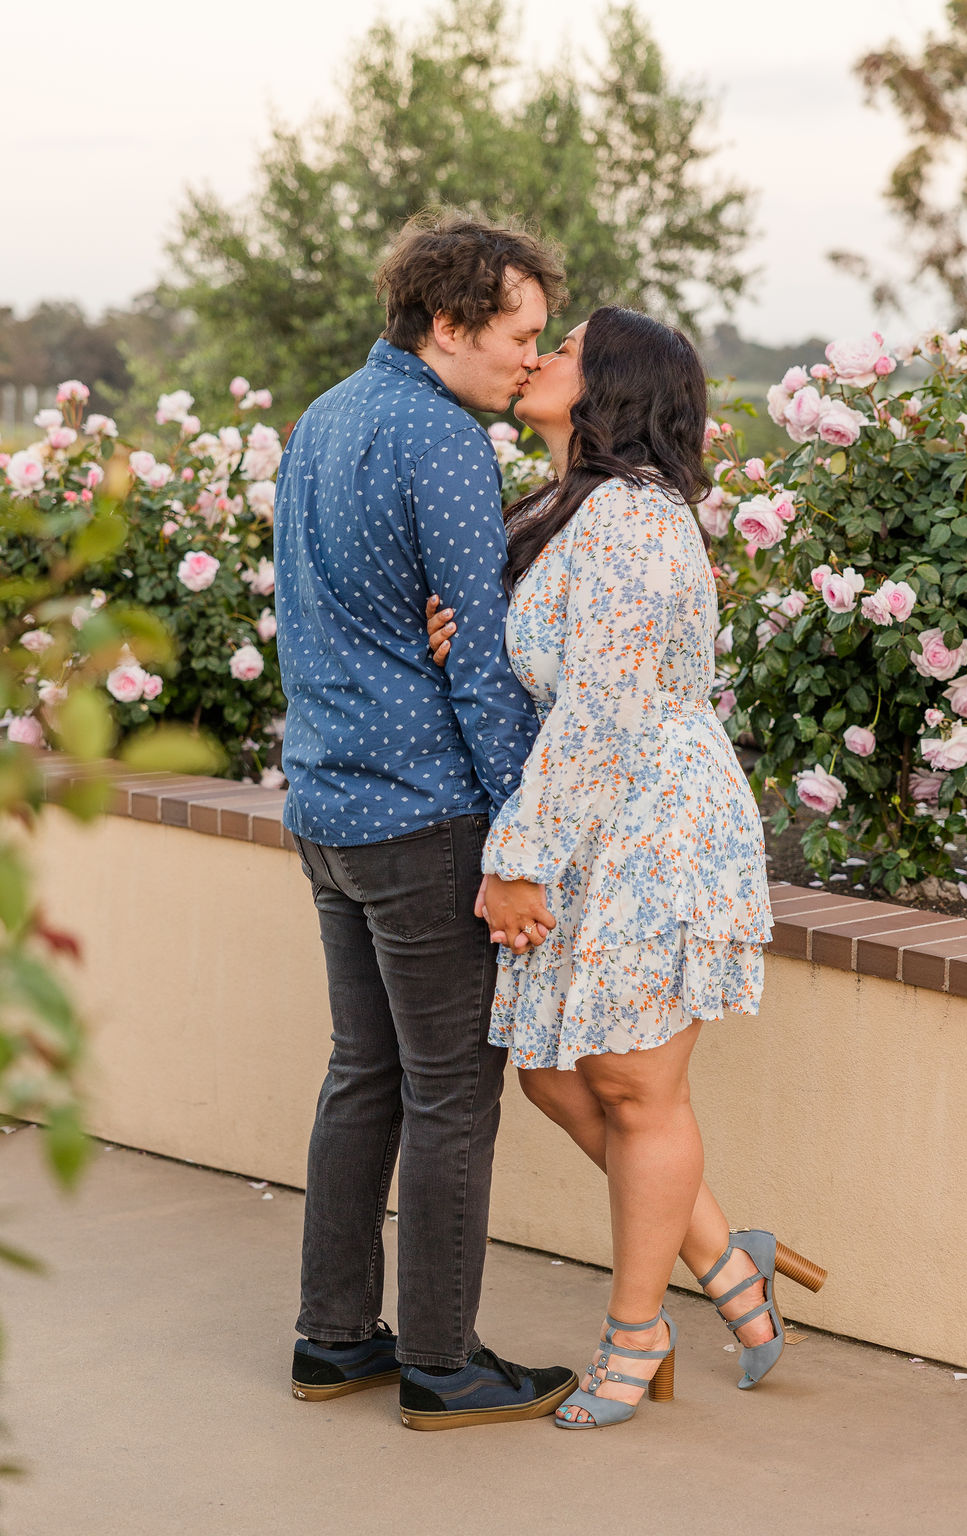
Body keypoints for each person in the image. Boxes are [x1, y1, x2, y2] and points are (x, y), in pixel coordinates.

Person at [427, 306, 826, 1430]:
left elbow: (601, 715)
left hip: (656, 827)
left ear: (611, 387)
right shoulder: (566, 510)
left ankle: (637, 1334)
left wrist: (516, 861)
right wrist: (478, 641)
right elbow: (561, 675)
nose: (536, 357)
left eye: (562, 348)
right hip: (599, 822)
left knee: (636, 1089)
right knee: (556, 1073)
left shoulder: (634, 524)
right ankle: (726, 1259)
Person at [273, 212, 579, 1431]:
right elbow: (480, 669)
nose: (527, 358)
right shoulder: (442, 439)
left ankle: (334, 1340)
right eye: (517, 335)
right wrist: (520, 841)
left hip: (330, 805)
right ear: (447, 325)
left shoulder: (326, 417)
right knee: (452, 1092)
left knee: (365, 1077)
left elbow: (329, 613)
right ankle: (443, 1364)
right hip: (422, 818)